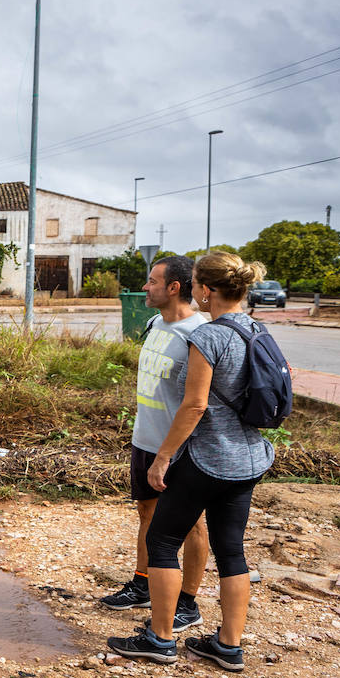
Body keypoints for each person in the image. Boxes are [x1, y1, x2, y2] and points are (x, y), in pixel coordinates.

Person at [108, 252, 275, 670]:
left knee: (164, 541)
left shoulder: (207, 335)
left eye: (199, 282)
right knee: (233, 552)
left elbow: (195, 404)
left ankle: (160, 638)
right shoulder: (256, 328)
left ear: (205, 289)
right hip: (247, 458)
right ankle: (228, 647)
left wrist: (164, 456)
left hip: (202, 457)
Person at [99, 256, 209, 632]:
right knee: (147, 511)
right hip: (144, 439)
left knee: (192, 525)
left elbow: (202, 398)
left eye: (151, 281)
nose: (145, 288)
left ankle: (188, 603)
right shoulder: (154, 323)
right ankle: (142, 583)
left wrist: (172, 449)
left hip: (179, 447)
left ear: (174, 287)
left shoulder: (199, 333)